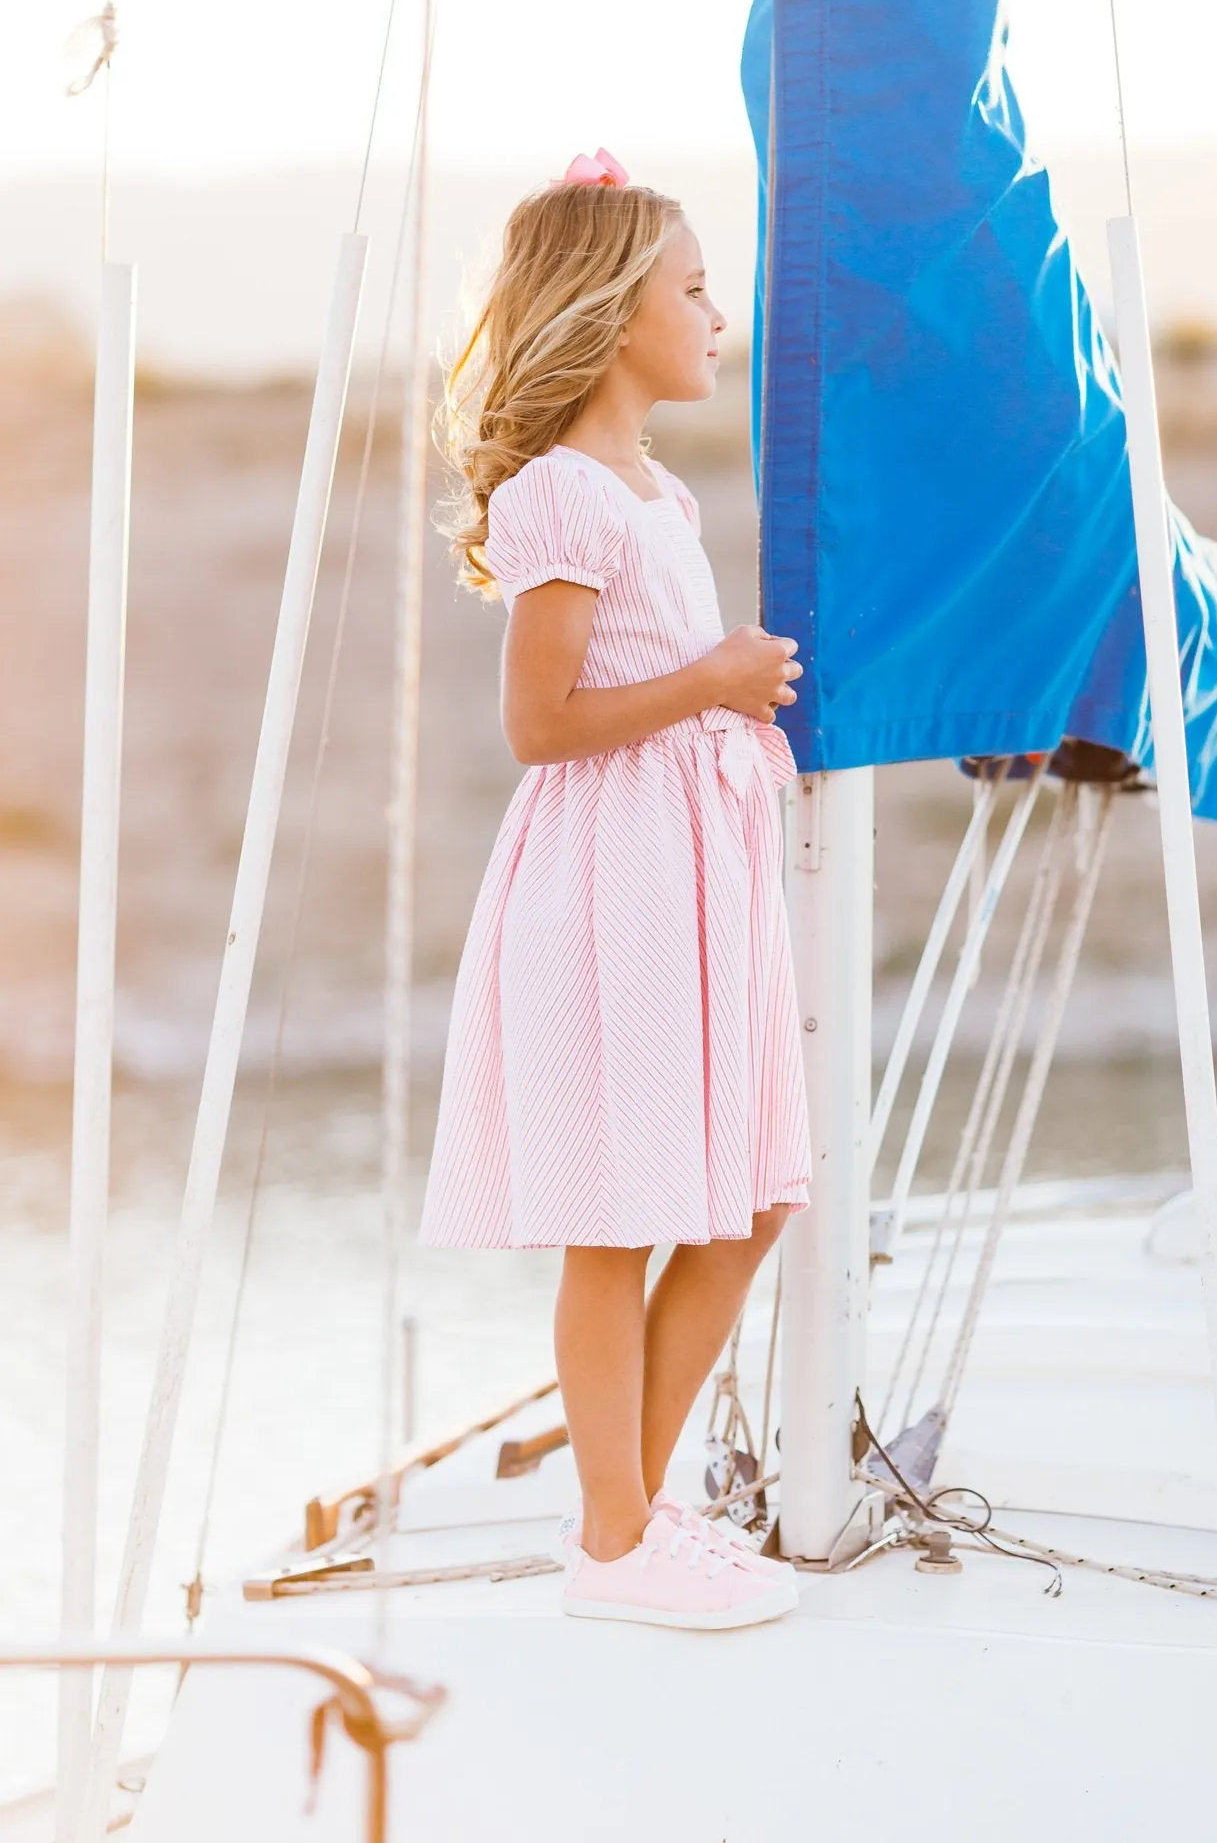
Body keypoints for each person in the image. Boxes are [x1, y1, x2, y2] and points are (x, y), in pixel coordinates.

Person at [418, 146, 813, 1631]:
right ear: (610, 313)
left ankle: (626, 1530)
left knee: (750, 1201)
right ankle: (613, 1544)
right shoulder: (562, 501)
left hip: (701, 868)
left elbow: (661, 686)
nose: (717, 317)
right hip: (615, 883)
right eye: (694, 290)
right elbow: (542, 727)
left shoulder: (659, 494)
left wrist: (732, 704)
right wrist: (709, 678)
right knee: (624, 1211)